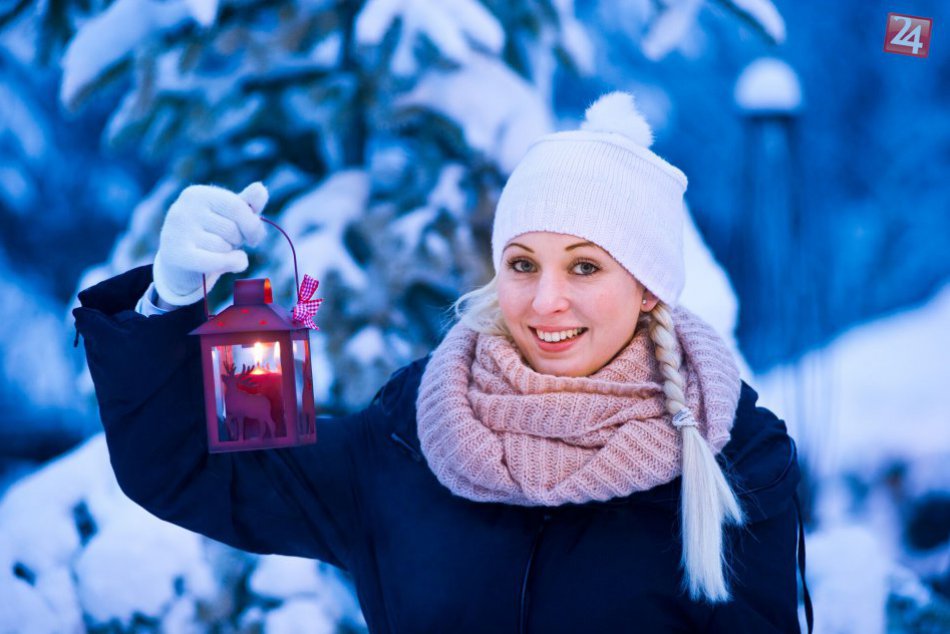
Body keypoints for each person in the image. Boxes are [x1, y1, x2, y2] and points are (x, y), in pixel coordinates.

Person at [74, 92, 809, 633]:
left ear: (647, 289)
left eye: (585, 267)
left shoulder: (731, 456)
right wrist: (168, 303)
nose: (545, 300)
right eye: (523, 263)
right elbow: (191, 471)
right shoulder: (408, 438)